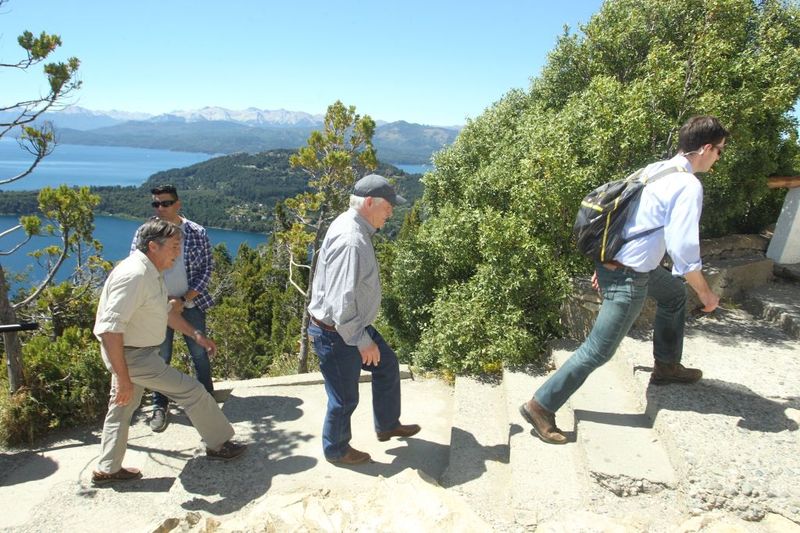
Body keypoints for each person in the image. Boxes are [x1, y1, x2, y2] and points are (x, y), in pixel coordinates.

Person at [520, 116, 728, 445]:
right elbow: (683, 249)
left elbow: (625, 218)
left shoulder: (656, 169)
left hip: (625, 265)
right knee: (598, 350)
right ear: (705, 148)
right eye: (719, 151)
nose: (718, 158)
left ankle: (667, 365)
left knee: (673, 294)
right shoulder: (687, 186)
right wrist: (706, 295)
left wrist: (604, 259)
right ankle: (541, 405)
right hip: (628, 275)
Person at [92, 219, 245, 486]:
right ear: (153, 246)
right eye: (175, 246)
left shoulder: (149, 271)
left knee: (121, 408)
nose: (178, 252)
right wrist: (124, 377)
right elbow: (109, 330)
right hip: (132, 356)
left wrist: (197, 335)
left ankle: (107, 469)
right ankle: (219, 445)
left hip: (134, 354)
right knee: (193, 391)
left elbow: (164, 312)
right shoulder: (134, 276)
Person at [308, 174, 421, 465]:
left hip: (348, 327)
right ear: (369, 203)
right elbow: (340, 303)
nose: (392, 212)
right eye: (388, 206)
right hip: (338, 333)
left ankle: (387, 424)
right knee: (344, 399)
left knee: (387, 365)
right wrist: (362, 341)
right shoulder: (351, 239)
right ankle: (336, 449)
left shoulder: (353, 227)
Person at [131, 184, 214, 433]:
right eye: (155, 204)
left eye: (165, 203)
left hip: (192, 303)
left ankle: (206, 398)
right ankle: (159, 405)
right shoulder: (144, 233)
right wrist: (164, 302)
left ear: (178, 204)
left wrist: (184, 298)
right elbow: (138, 268)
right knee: (160, 357)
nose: (160, 208)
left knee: (199, 353)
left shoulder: (196, 232)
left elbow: (207, 268)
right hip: (157, 308)